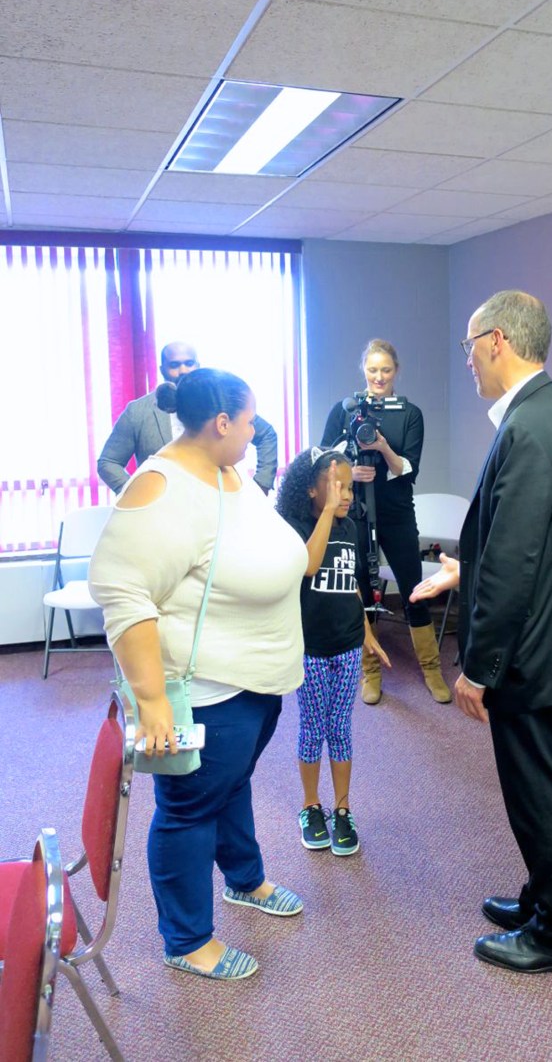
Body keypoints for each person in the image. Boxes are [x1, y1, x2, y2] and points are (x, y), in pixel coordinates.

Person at [89, 368, 308, 981]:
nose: (254, 432)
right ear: (220, 423)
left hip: (256, 682)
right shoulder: (160, 486)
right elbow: (123, 592)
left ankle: (244, 879)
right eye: (247, 422)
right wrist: (153, 701)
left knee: (230, 786)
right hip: (207, 691)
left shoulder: (225, 469)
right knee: (188, 808)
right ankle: (187, 941)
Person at [411, 290, 552, 975]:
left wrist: (479, 668)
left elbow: (521, 560)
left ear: (496, 341)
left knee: (539, 791)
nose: (467, 359)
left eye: (469, 345)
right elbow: (547, 538)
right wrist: (466, 569)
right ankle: (542, 899)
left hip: (526, 650)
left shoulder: (526, 427)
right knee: (543, 784)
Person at [321, 338, 450, 705]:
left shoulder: (410, 414)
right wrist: (350, 471)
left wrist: (381, 447)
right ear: (364, 369)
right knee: (362, 588)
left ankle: (431, 670)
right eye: (373, 369)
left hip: (396, 512)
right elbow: (322, 458)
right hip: (356, 512)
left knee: (413, 587)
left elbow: (408, 471)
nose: (379, 377)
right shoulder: (345, 410)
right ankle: (371, 673)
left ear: (396, 372)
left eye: (386, 370)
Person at [276, 447, 390, 856]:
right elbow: (308, 566)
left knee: (340, 728)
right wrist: (326, 515)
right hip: (309, 649)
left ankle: (342, 809)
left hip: (345, 647)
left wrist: (367, 634)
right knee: (312, 728)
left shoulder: (352, 529)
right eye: (336, 486)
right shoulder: (294, 526)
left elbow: (354, 587)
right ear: (311, 489)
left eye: (349, 486)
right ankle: (311, 806)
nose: (346, 495)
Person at [97, 340, 279, 495]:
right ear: (162, 369)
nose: (183, 370)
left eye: (189, 363)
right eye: (174, 365)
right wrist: (137, 493)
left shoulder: (220, 401)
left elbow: (266, 434)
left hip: (217, 505)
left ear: (198, 366)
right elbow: (108, 462)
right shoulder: (138, 412)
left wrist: (260, 485)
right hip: (165, 513)